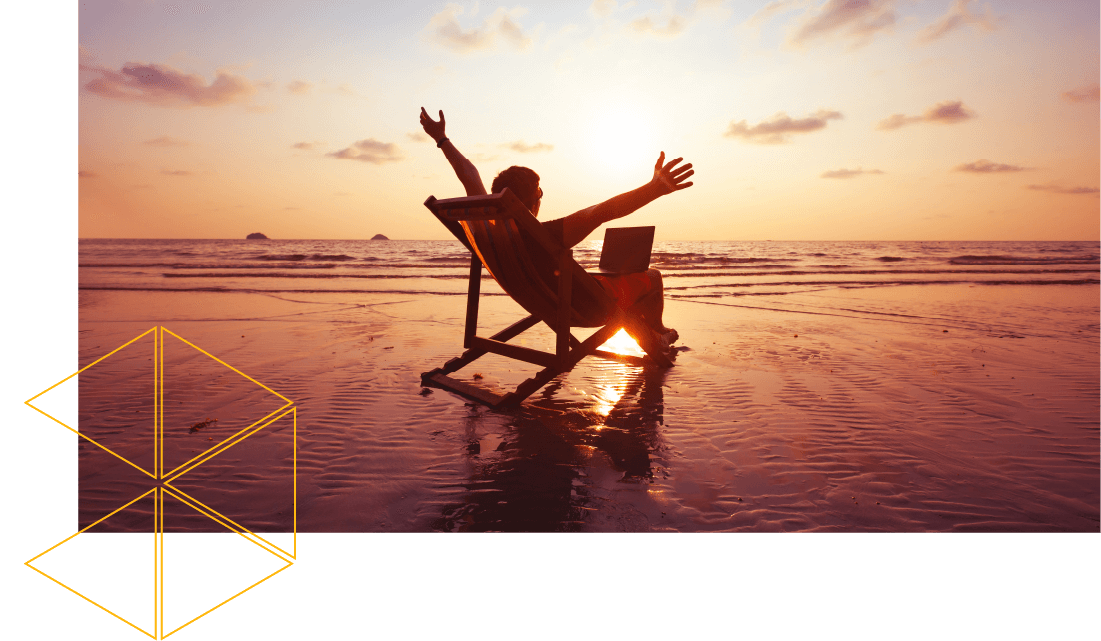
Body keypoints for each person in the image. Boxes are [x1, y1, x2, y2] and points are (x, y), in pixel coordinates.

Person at [419, 107, 694, 350]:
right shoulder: (541, 236)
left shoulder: (487, 233)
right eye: (540, 195)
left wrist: (441, 139)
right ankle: (657, 334)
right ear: (530, 202)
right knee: (652, 277)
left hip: (540, 301)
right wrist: (654, 189)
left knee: (614, 285)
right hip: (583, 309)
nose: (541, 200)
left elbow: (469, 173)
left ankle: (653, 336)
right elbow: (601, 212)